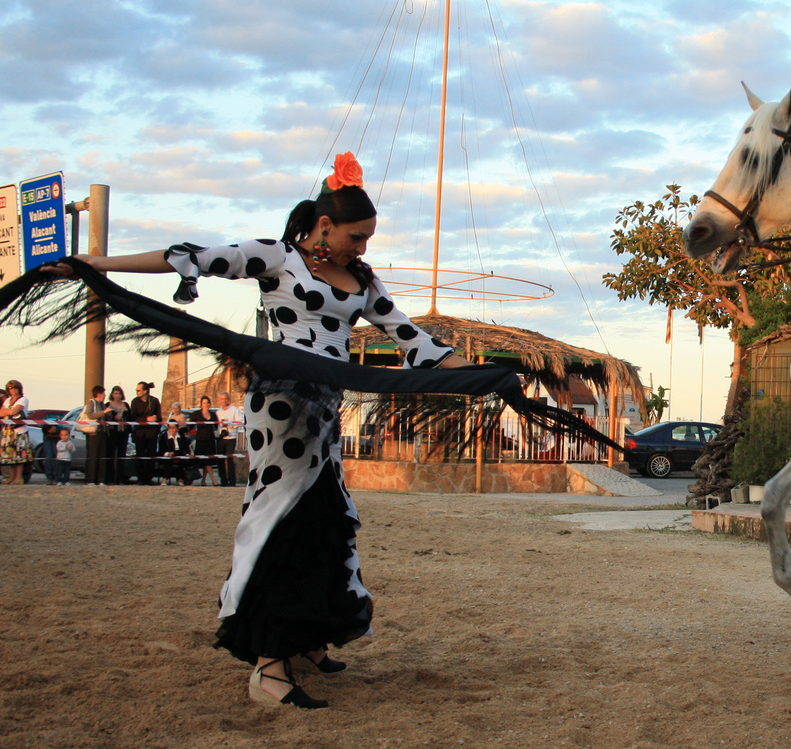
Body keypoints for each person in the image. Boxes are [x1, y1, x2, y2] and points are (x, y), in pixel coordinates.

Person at [38, 152, 473, 709]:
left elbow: (418, 344)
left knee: (323, 515)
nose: (362, 248)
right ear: (323, 226)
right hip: (280, 409)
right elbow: (189, 256)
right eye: (356, 236)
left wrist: (496, 377)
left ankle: (309, 637)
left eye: (367, 238)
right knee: (282, 516)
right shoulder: (277, 257)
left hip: (323, 414)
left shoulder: (363, 280)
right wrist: (92, 263)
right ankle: (269, 667)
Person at [0, 380, 33, 484]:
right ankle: (11, 477)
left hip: (19, 431)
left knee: (19, 455)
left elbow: (13, 412)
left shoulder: (23, 400)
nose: (12, 390)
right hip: (8, 430)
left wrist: (7, 411)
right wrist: (9, 411)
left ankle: (19, 477)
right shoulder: (8, 400)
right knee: (11, 456)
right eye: (10, 388)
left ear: (19, 389)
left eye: (15, 388)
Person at [129, 381, 162, 484]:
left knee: (151, 456)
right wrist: (146, 419)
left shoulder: (154, 401)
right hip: (140, 433)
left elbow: (160, 417)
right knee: (140, 456)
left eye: (139, 390)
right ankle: (140, 478)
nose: (137, 392)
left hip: (152, 433)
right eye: (136, 390)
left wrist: (156, 425)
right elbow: (133, 417)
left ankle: (149, 478)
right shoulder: (135, 402)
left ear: (145, 391)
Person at [78, 385, 107, 485]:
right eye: (103, 393)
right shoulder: (91, 403)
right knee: (92, 457)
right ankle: (90, 479)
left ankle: (100, 479)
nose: (105, 395)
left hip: (102, 433)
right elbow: (89, 414)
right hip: (93, 434)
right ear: (98, 394)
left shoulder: (102, 404)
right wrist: (103, 412)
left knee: (102, 457)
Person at [215, 391, 243, 487]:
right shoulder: (218, 412)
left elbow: (240, 422)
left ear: (229, 399)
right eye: (222, 399)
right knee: (220, 460)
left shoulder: (235, 410)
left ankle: (232, 481)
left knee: (229, 459)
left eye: (225, 398)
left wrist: (229, 424)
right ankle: (223, 481)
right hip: (221, 437)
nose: (224, 401)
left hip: (231, 437)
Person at [190, 395, 220, 485]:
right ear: (201, 404)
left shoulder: (213, 414)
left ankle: (203, 481)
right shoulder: (196, 414)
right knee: (205, 462)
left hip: (210, 439)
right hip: (201, 439)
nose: (206, 404)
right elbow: (190, 425)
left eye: (207, 403)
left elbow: (216, 426)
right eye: (204, 403)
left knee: (208, 461)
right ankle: (214, 480)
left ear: (210, 404)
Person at [103, 385, 129, 484]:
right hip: (112, 432)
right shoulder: (108, 405)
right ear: (112, 394)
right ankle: (109, 478)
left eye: (119, 393)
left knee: (121, 455)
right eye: (115, 393)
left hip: (123, 432)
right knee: (111, 455)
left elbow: (130, 417)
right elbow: (106, 416)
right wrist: (114, 416)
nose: (117, 395)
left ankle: (120, 478)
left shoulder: (125, 405)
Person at [159, 419, 192, 485]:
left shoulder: (181, 435)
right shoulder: (164, 437)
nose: (171, 429)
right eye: (170, 427)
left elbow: (186, 447)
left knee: (183, 460)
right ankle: (165, 479)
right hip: (168, 455)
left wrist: (188, 454)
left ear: (177, 428)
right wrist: (168, 453)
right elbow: (161, 450)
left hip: (180, 454)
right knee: (168, 460)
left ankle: (180, 479)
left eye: (173, 427)